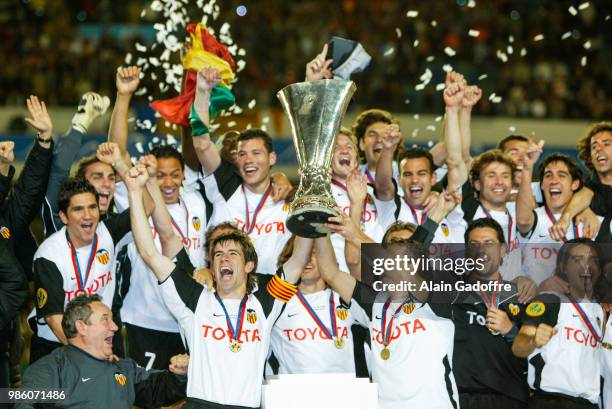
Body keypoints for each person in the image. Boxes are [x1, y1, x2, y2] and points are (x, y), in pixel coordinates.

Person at [124, 163, 313, 408]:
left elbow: (298, 260)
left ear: (249, 266)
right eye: (218, 254)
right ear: (211, 266)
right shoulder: (193, 299)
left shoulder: (266, 302)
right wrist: (133, 191)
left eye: (233, 253)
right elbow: (149, 253)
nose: (224, 258)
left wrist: (310, 193)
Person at [313, 234, 460, 409]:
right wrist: (319, 228)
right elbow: (331, 273)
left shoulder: (435, 298)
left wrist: (352, 232)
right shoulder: (374, 304)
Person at [191, 67, 292, 275]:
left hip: (274, 297)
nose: (248, 160)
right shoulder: (226, 186)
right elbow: (201, 144)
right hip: (227, 294)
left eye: (256, 153)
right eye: (242, 154)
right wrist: (202, 92)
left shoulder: (288, 196)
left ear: (272, 158)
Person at [17, 294, 188, 409]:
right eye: (105, 320)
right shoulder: (54, 369)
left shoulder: (124, 369)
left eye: (113, 320)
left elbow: (158, 389)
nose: (114, 327)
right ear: (81, 327)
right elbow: (21, 400)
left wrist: (180, 376)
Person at [30, 178, 132, 363]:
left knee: (116, 391)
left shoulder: (107, 232)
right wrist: (89, 357)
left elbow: (147, 207)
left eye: (92, 207)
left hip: (104, 339)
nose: (88, 215)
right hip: (56, 345)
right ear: (63, 216)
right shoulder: (49, 255)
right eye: (78, 209)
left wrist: (124, 167)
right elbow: (55, 320)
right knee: (41, 394)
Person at [430, 218, 529, 409]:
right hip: (461, 398)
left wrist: (511, 331)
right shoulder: (449, 291)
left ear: (502, 250)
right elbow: (409, 267)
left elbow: (535, 353)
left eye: (489, 243)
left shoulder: (520, 296)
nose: (481, 250)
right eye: (474, 245)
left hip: (510, 399)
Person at [375, 72, 469, 244]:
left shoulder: (448, 205)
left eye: (421, 173)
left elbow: (456, 158)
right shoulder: (391, 208)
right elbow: (382, 185)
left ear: (433, 178)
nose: (415, 180)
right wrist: (388, 149)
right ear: (399, 179)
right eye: (408, 174)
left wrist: (453, 109)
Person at [512, 239, 605, 409]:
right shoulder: (550, 300)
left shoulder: (599, 311)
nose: (586, 266)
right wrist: (533, 341)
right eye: (577, 260)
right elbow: (519, 346)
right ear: (564, 267)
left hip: (589, 404)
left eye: (593, 260)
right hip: (550, 402)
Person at [270, 236, 369, 375]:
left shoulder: (345, 297)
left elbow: (379, 313)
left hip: (344, 393)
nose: (307, 260)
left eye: (314, 253)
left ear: (326, 259)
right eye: (302, 254)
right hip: (294, 394)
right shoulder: (277, 304)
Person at [41, 91, 110, 236]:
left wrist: (123, 96)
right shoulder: (62, 221)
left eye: (112, 178)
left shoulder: (114, 225)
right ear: (81, 183)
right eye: (97, 177)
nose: (107, 183)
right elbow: (59, 170)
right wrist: (80, 124)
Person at [551, 122, 612, 240]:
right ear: (590, 157)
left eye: (606, 144)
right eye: (594, 146)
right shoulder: (581, 192)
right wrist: (568, 216)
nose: (598, 149)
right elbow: (585, 193)